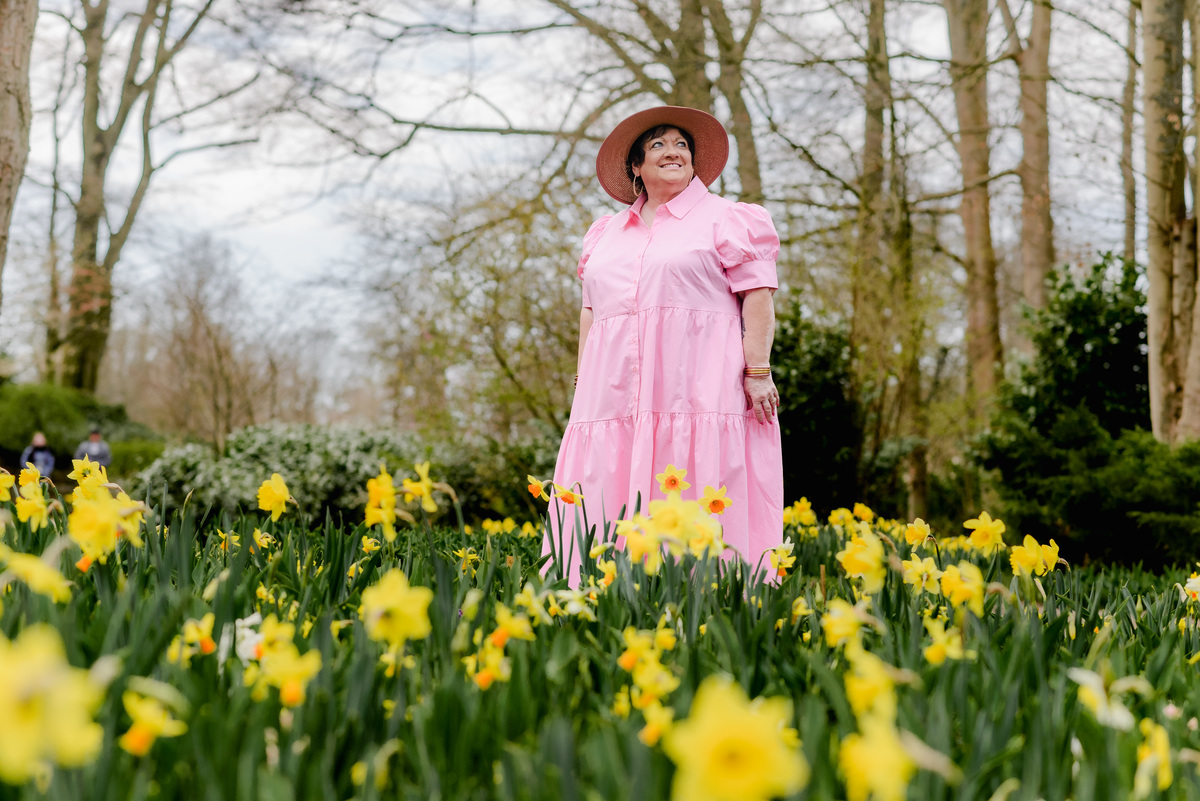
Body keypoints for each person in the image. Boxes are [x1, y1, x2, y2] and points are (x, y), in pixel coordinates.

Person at [546, 105, 784, 583]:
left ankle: (709, 597)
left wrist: (757, 371)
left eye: (682, 145)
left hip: (696, 389)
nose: (673, 152)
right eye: (658, 144)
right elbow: (591, 309)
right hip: (610, 395)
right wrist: (582, 378)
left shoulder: (728, 219)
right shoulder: (605, 234)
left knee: (696, 482)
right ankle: (601, 593)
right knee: (602, 485)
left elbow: (758, 294)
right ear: (636, 165)